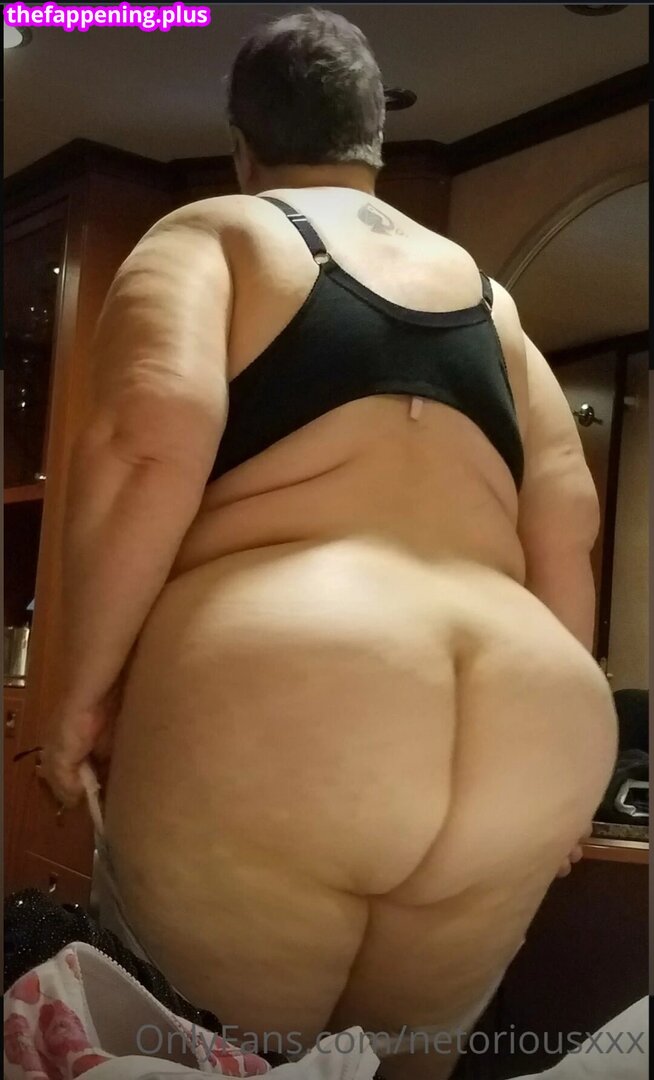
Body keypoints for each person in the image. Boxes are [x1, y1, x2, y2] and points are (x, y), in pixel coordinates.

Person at [41, 8, 617, 1079]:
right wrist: (560, 750)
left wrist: (79, 697)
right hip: (533, 719)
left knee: (219, 1061)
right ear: (375, 142)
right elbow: (567, 523)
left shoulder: (215, 234)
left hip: (296, 692)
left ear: (243, 148)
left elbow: (146, 445)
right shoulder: (493, 300)